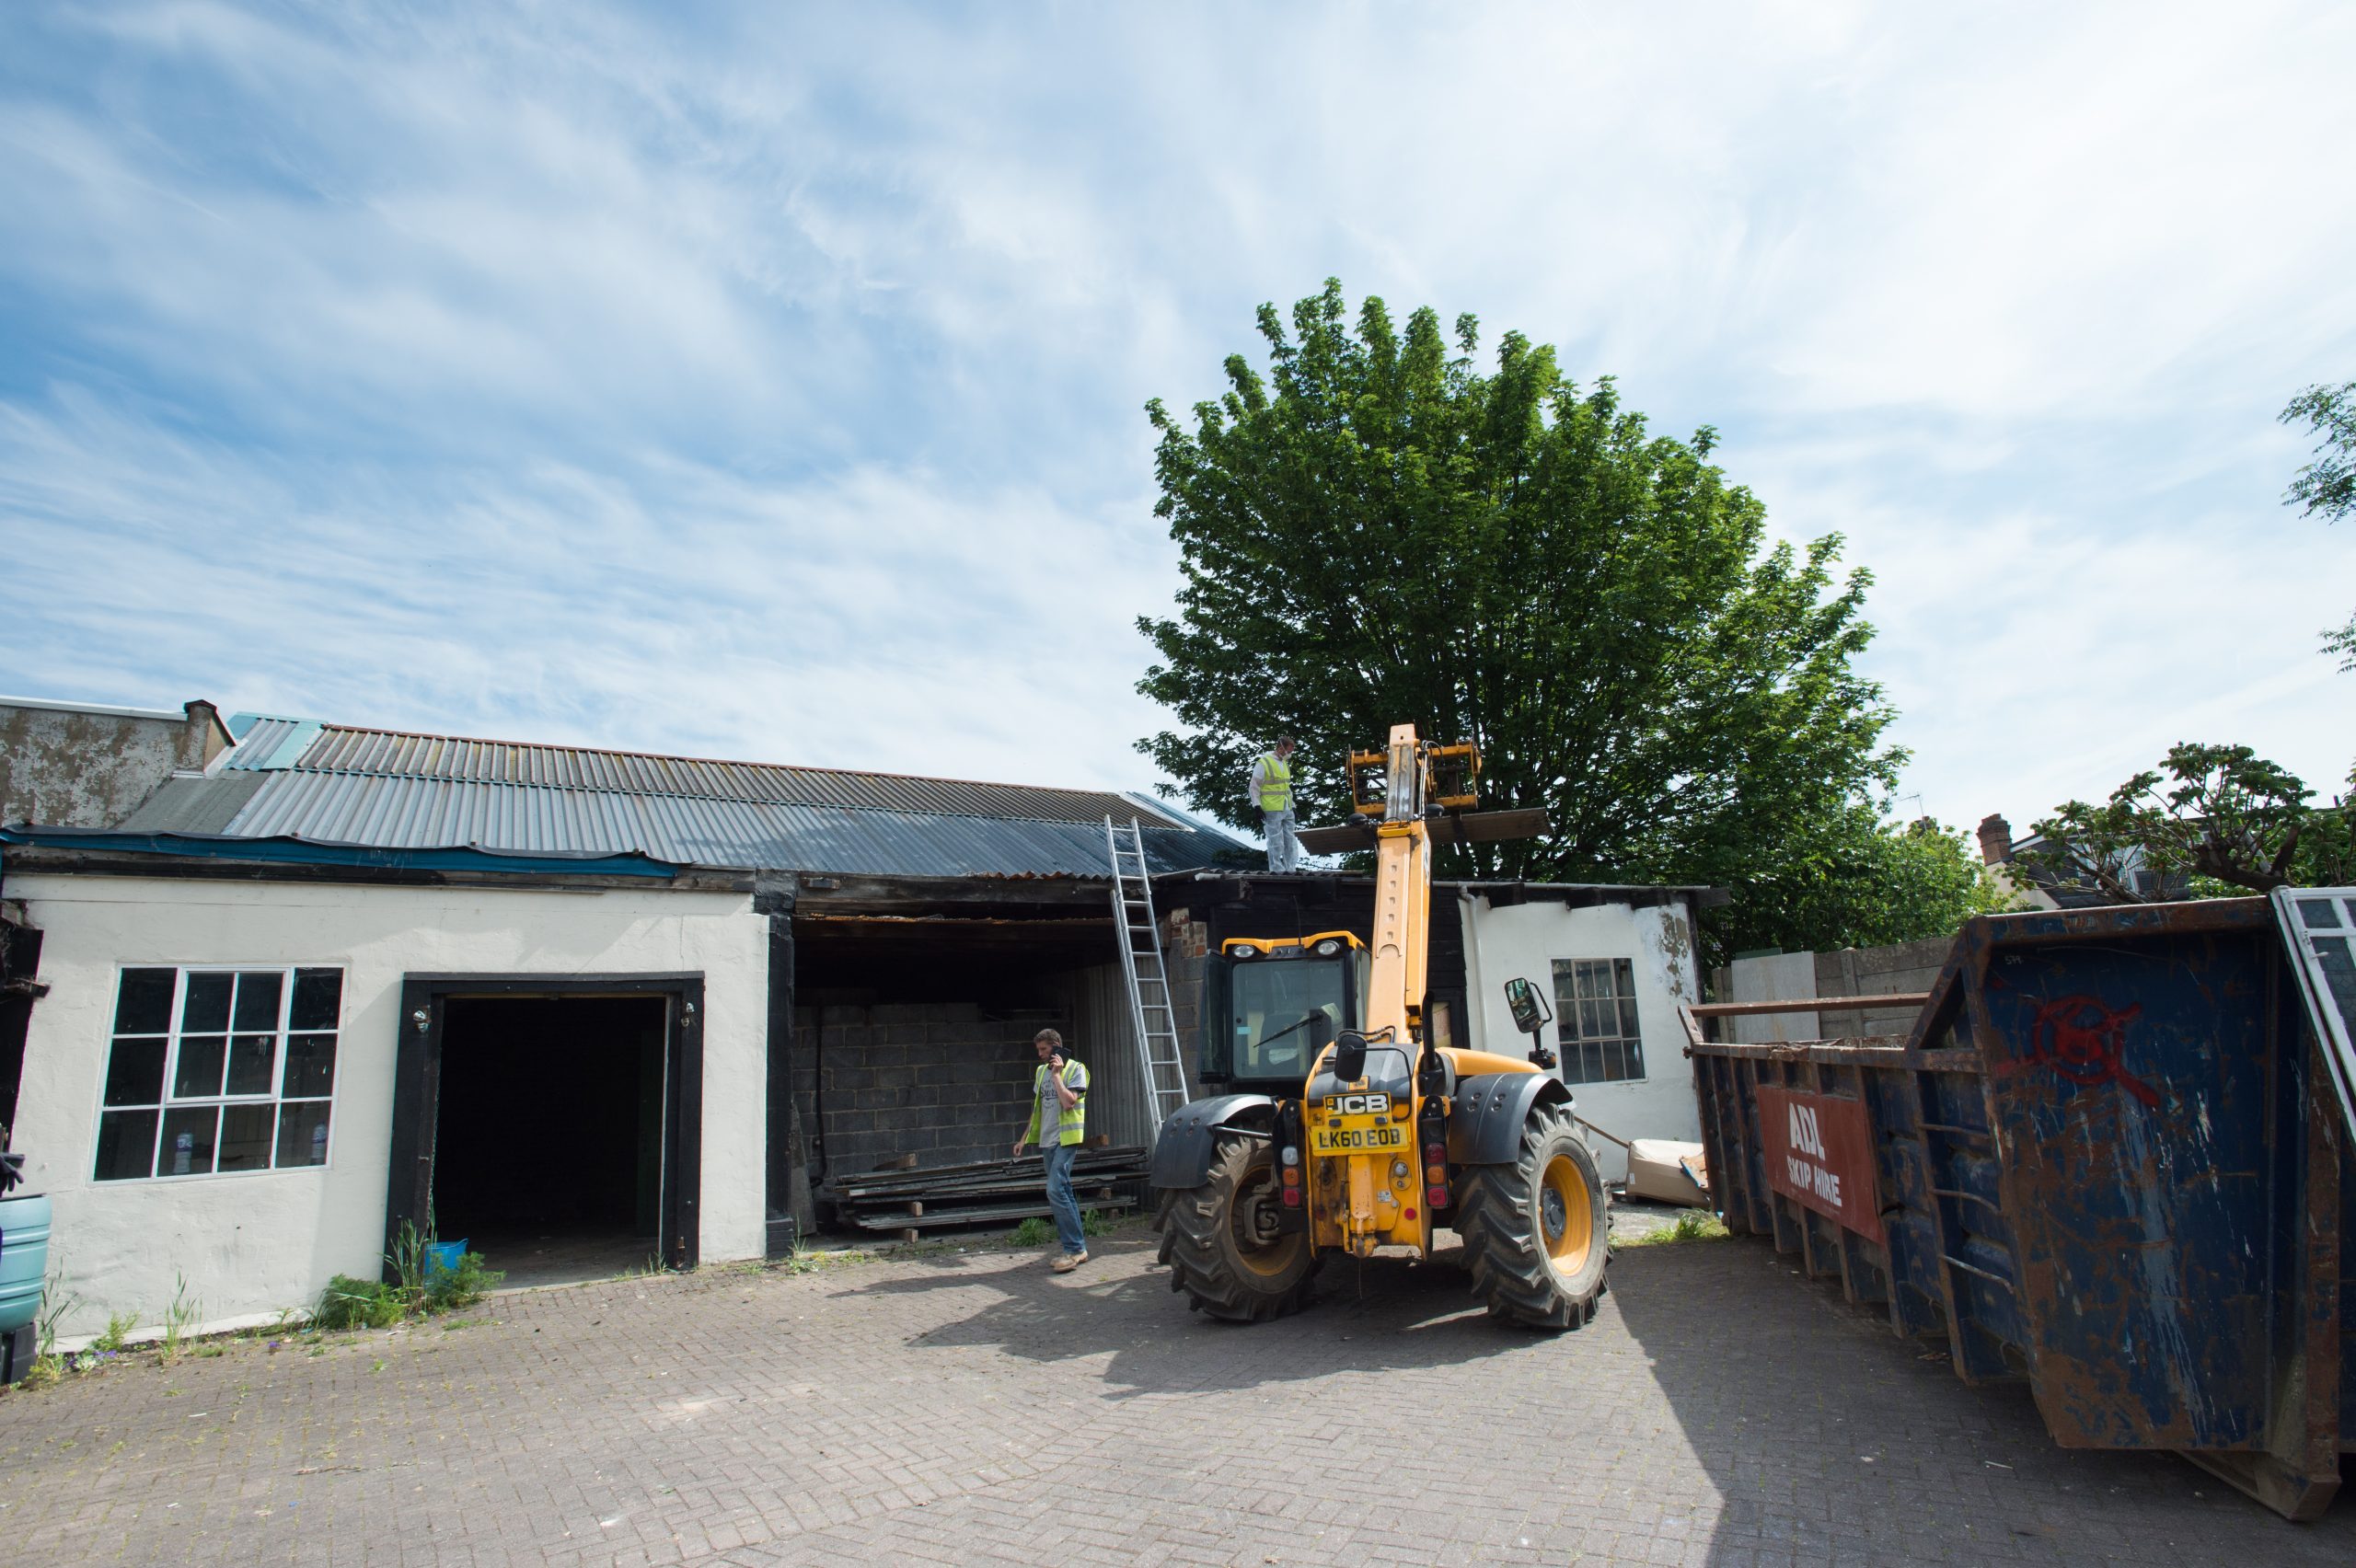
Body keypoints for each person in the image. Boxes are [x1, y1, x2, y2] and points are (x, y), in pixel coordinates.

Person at [1012, 1028, 1091, 1272]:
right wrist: (1024, 1138)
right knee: (1063, 1191)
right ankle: (1078, 1248)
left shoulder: (1076, 1069)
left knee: (1055, 1189)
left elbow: (1069, 1102)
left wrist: (1057, 1076)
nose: (1040, 1055)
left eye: (1044, 1049)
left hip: (1065, 1140)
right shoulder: (1040, 1072)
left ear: (1056, 1046)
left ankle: (1074, 1249)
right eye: (1038, 1050)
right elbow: (1037, 1109)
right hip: (1046, 1141)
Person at [1252, 736, 1299, 872]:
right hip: (1272, 807)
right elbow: (1254, 786)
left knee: (1290, 840)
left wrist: (1293, 805)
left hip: (1287, 806)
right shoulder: (1264, 763)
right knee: (1275, 841)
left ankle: (1291, 868)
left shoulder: (1284, 763)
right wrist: (1256, 805)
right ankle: (1277, 869)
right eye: (1288, 751)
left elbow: (1286, 787)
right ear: (1280, 748)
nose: (1289, 754)